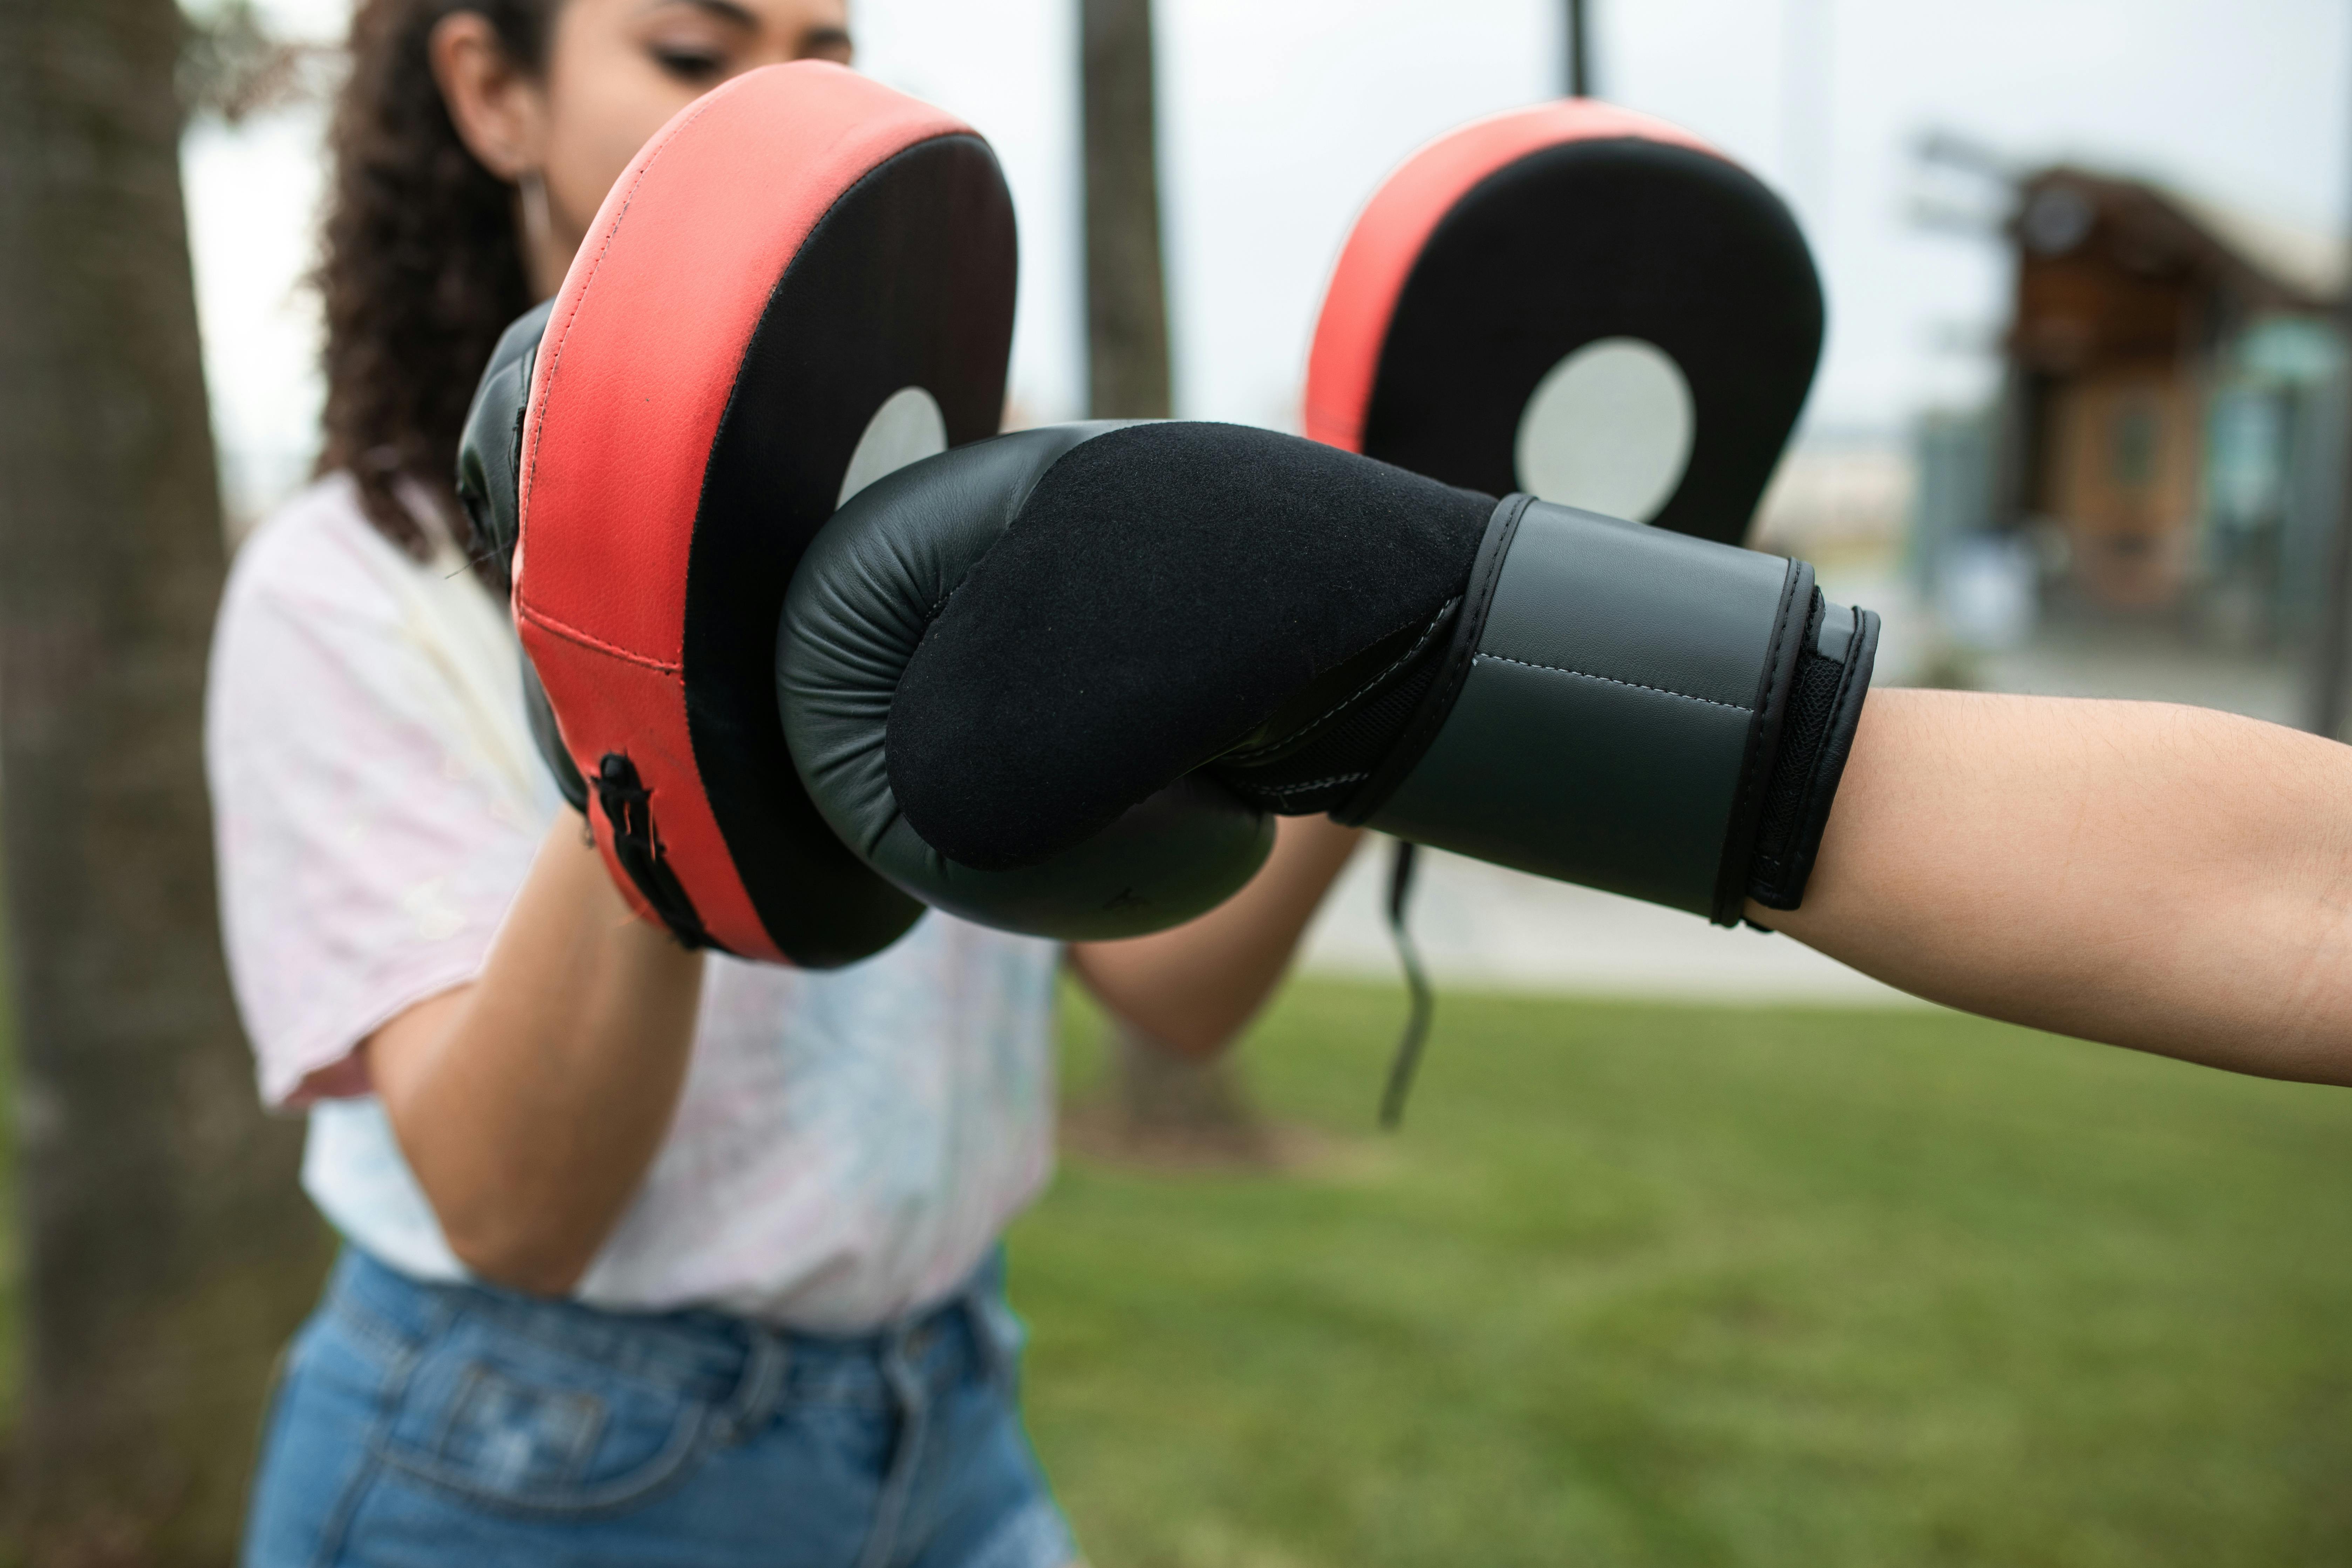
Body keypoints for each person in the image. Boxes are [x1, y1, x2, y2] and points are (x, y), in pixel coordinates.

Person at [209, 4, 1359, 1563]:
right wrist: (647, 642)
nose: (776, 120)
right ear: (494, 93)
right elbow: (513, 1212)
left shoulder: (964, 496)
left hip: (948, 1422)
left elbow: (1172, 988)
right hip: (525, 1470)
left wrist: (1364, 671)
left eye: (819, 54)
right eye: (693, 54)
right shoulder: (345, 591)